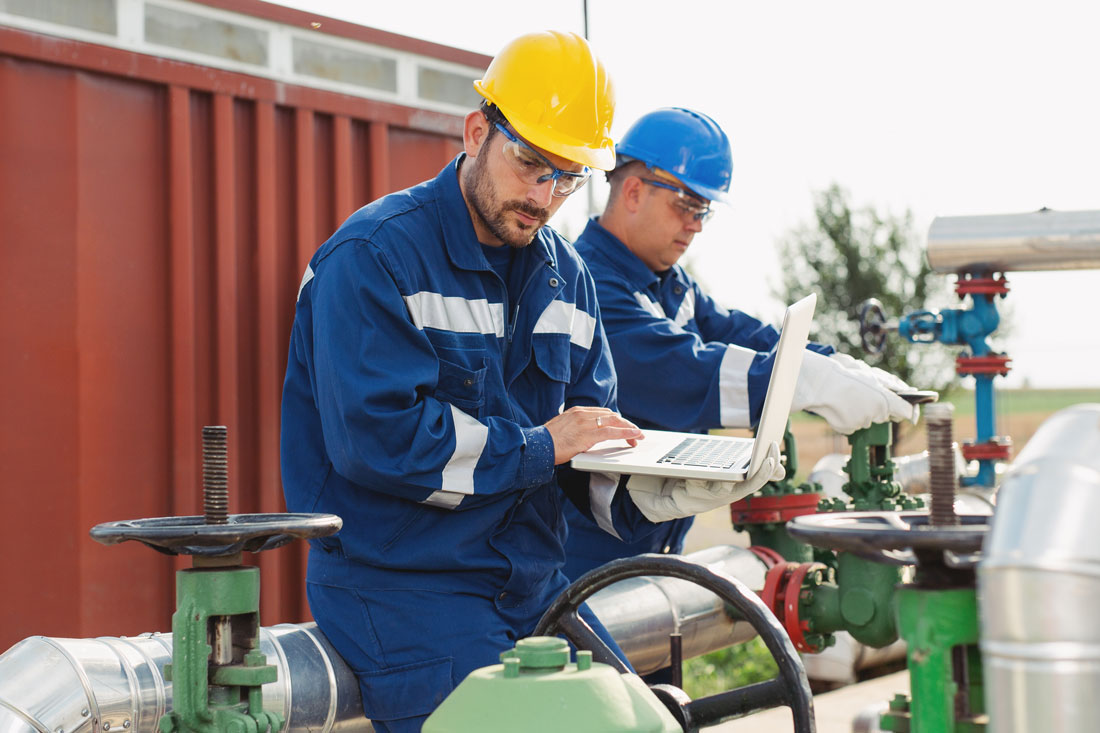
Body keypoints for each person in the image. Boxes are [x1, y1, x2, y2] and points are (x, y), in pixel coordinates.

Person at [280, 36, 782, 732]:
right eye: (531, 164)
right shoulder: (374, 259)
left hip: (533, 591)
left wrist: (663, 490)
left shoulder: (564, 277)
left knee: (646, 723)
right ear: (477, 131)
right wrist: (542, 446)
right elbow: (379, 440)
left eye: (567, 176)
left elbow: (584, 449)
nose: (545, 195)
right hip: (404, 591)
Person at [562, 107, 916, 581]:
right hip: (580, 562)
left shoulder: (669, 284)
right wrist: (802, 383)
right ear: (632, 191)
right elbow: (679, 369)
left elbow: (737, 331)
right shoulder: (588, 283)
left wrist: (836, 365)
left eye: (703, 210)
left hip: (649, 551)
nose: (697, 225)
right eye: (687, 206)